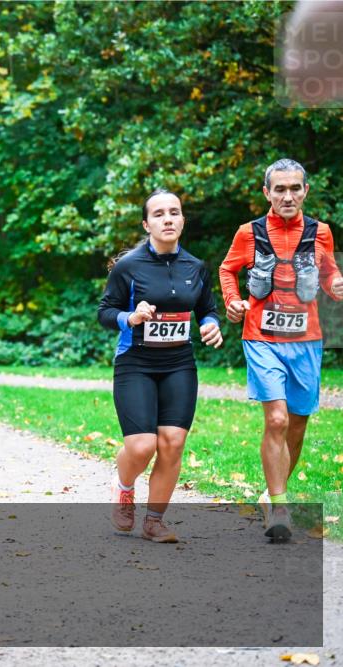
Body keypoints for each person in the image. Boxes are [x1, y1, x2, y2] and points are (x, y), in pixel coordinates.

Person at [219, 158, 343, 541]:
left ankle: (269, 495)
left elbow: (326, 275)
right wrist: (233, 301)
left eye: (294, 188)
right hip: (262, 336)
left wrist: (336, 282)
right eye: (280, 189)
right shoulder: (248, 233)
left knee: (298, 421)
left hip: (306, 339)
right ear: (266, 193)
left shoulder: (320, 232)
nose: (287, 196)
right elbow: (228, 269)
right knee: (276, 419)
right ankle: (280, 507)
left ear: (305, 191)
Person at [98, 189, 224, 543]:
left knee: (171, 443)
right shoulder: (129, 267)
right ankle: (124, 487)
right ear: (147, 223)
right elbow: (105, 313)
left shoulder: (195, 267)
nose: (168, 219)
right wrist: (130, 316)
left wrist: (210, 324)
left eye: (174, 212)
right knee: (142, 446)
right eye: (159, 214)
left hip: (179, 364)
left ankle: (154, 521)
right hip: (135, 363)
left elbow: (207, 309)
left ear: (183, 220)